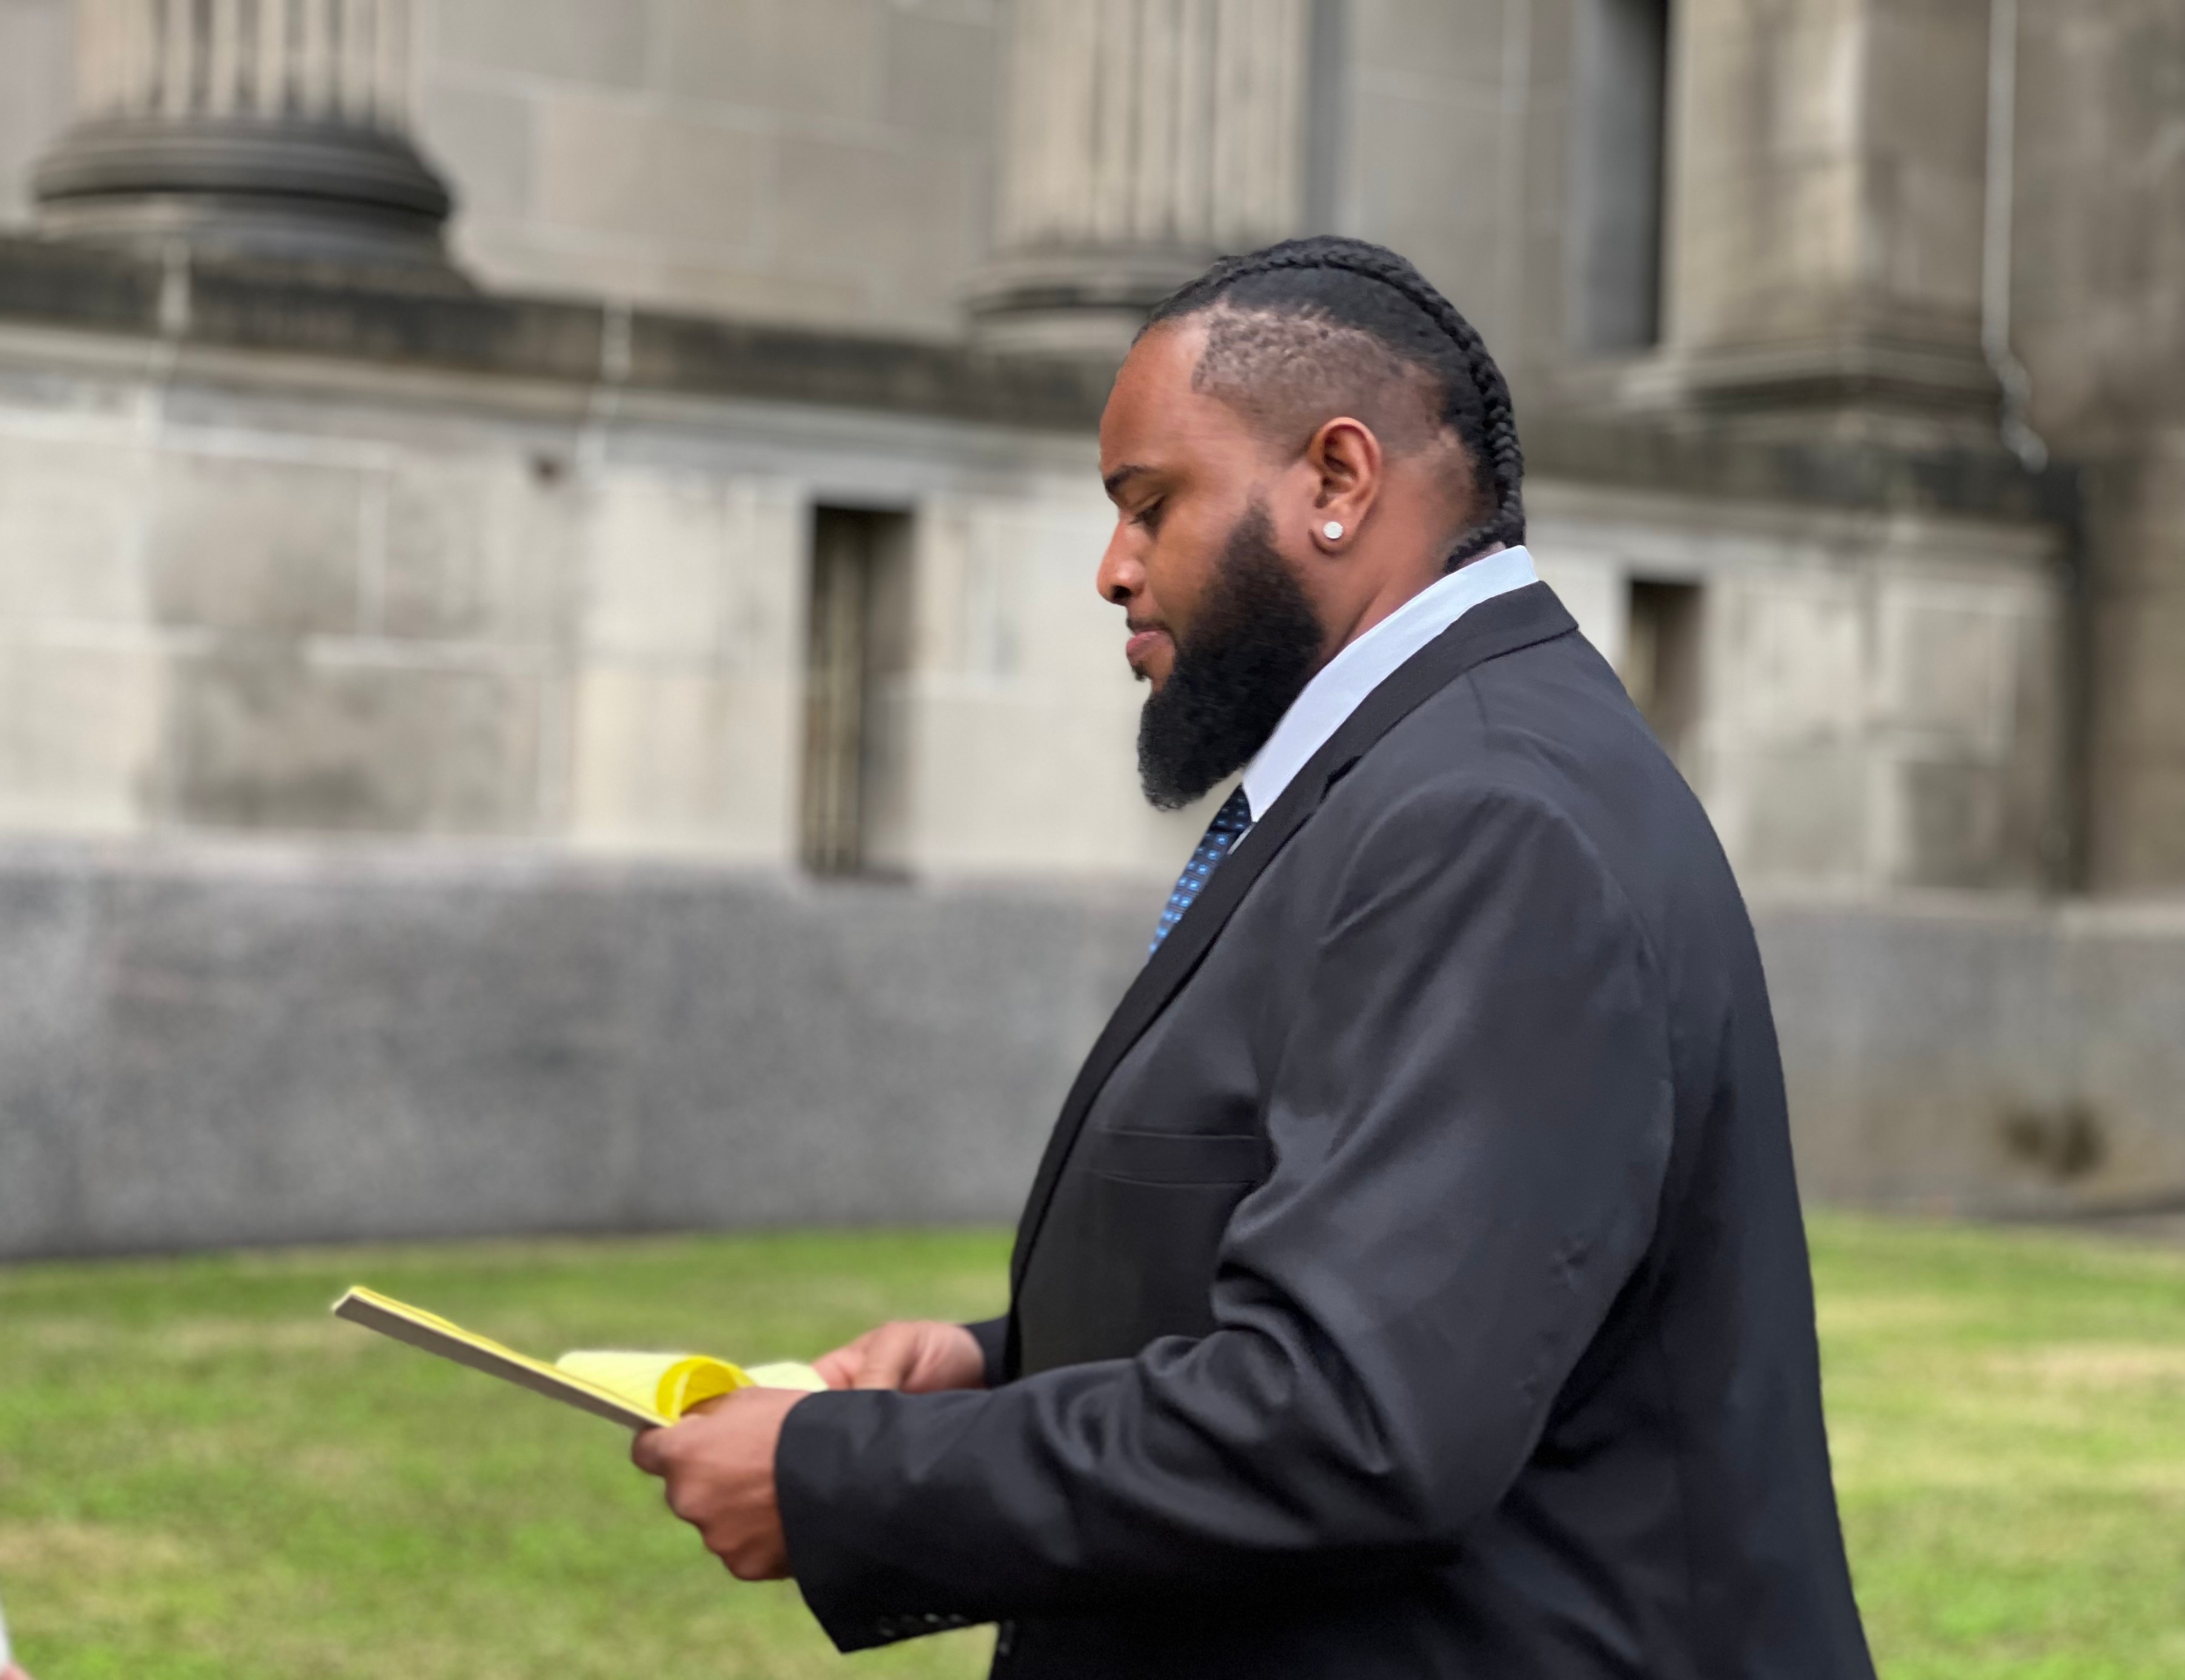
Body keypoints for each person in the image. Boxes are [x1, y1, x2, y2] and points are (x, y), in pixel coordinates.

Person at [632, 237, 1878, 1679]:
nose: (1109, 571)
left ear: (1336, 483)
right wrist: (992, 1367)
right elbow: (1394, 1280)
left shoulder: (1484, 815)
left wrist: (840, 1478)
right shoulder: (1411, 771)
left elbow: (1353, 1423)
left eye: (1147, 505)